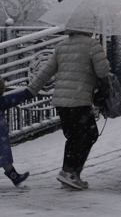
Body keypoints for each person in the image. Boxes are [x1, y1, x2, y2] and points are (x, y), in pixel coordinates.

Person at [26, 29, 111, 189]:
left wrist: (31, 90)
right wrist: (104, 61)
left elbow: (47, 71)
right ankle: (71, 173)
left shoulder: (62, 45)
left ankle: (68, 173)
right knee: (89, 135)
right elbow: (102, 72)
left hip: (62, 102)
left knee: (73, 137)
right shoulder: (92, 45)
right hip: (80, 100)